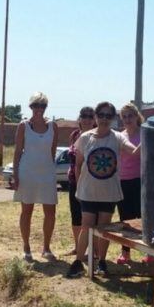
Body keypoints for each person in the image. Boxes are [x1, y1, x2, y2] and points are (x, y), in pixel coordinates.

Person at [66, 102, 140, 278]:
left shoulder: (118, 138)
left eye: (109, 116)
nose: (105, 119)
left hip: (109, 192)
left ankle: (101, 262)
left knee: (103, 228)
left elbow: (135, 152)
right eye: (101, 115)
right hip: (88, 192)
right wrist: (78, 188)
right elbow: (78, 165)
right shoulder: (85, 138)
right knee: (87, 226)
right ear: (96, 117)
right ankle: (78, 262)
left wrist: (150, 137)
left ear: (113, 118)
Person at [12, 92, 59, 261]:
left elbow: (52, 152)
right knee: (27, 210)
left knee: (50, 211)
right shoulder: (23, 126)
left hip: (46, 173)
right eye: (35, 105)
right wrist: (15, 174)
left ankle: (46, 248)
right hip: (27, 173)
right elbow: (18, 151)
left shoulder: (53, 126)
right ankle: (26, 247)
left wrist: (48, 168)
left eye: (42, 106)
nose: (39, 109)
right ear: (30, 107)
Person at [115, 103, 154, 264]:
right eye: (124, 116)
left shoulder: (145, 134)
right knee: (125, 219)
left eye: (130, 115)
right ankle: (126, 253)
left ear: (137, 116)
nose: (127, 119)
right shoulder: (119, 136)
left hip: (141, 181)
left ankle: (150, 253)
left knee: (144, 217)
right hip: (122, 181)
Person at [66, 106, 96, 256]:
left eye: (91, 116)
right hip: (74, 181)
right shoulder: (74, 135)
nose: (87, 119)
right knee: (76, 215)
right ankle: (78, 248)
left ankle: (94, 250)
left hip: (91, 183)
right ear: (80, 118)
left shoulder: (97, 136)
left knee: (91, 217)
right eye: (84, 116)